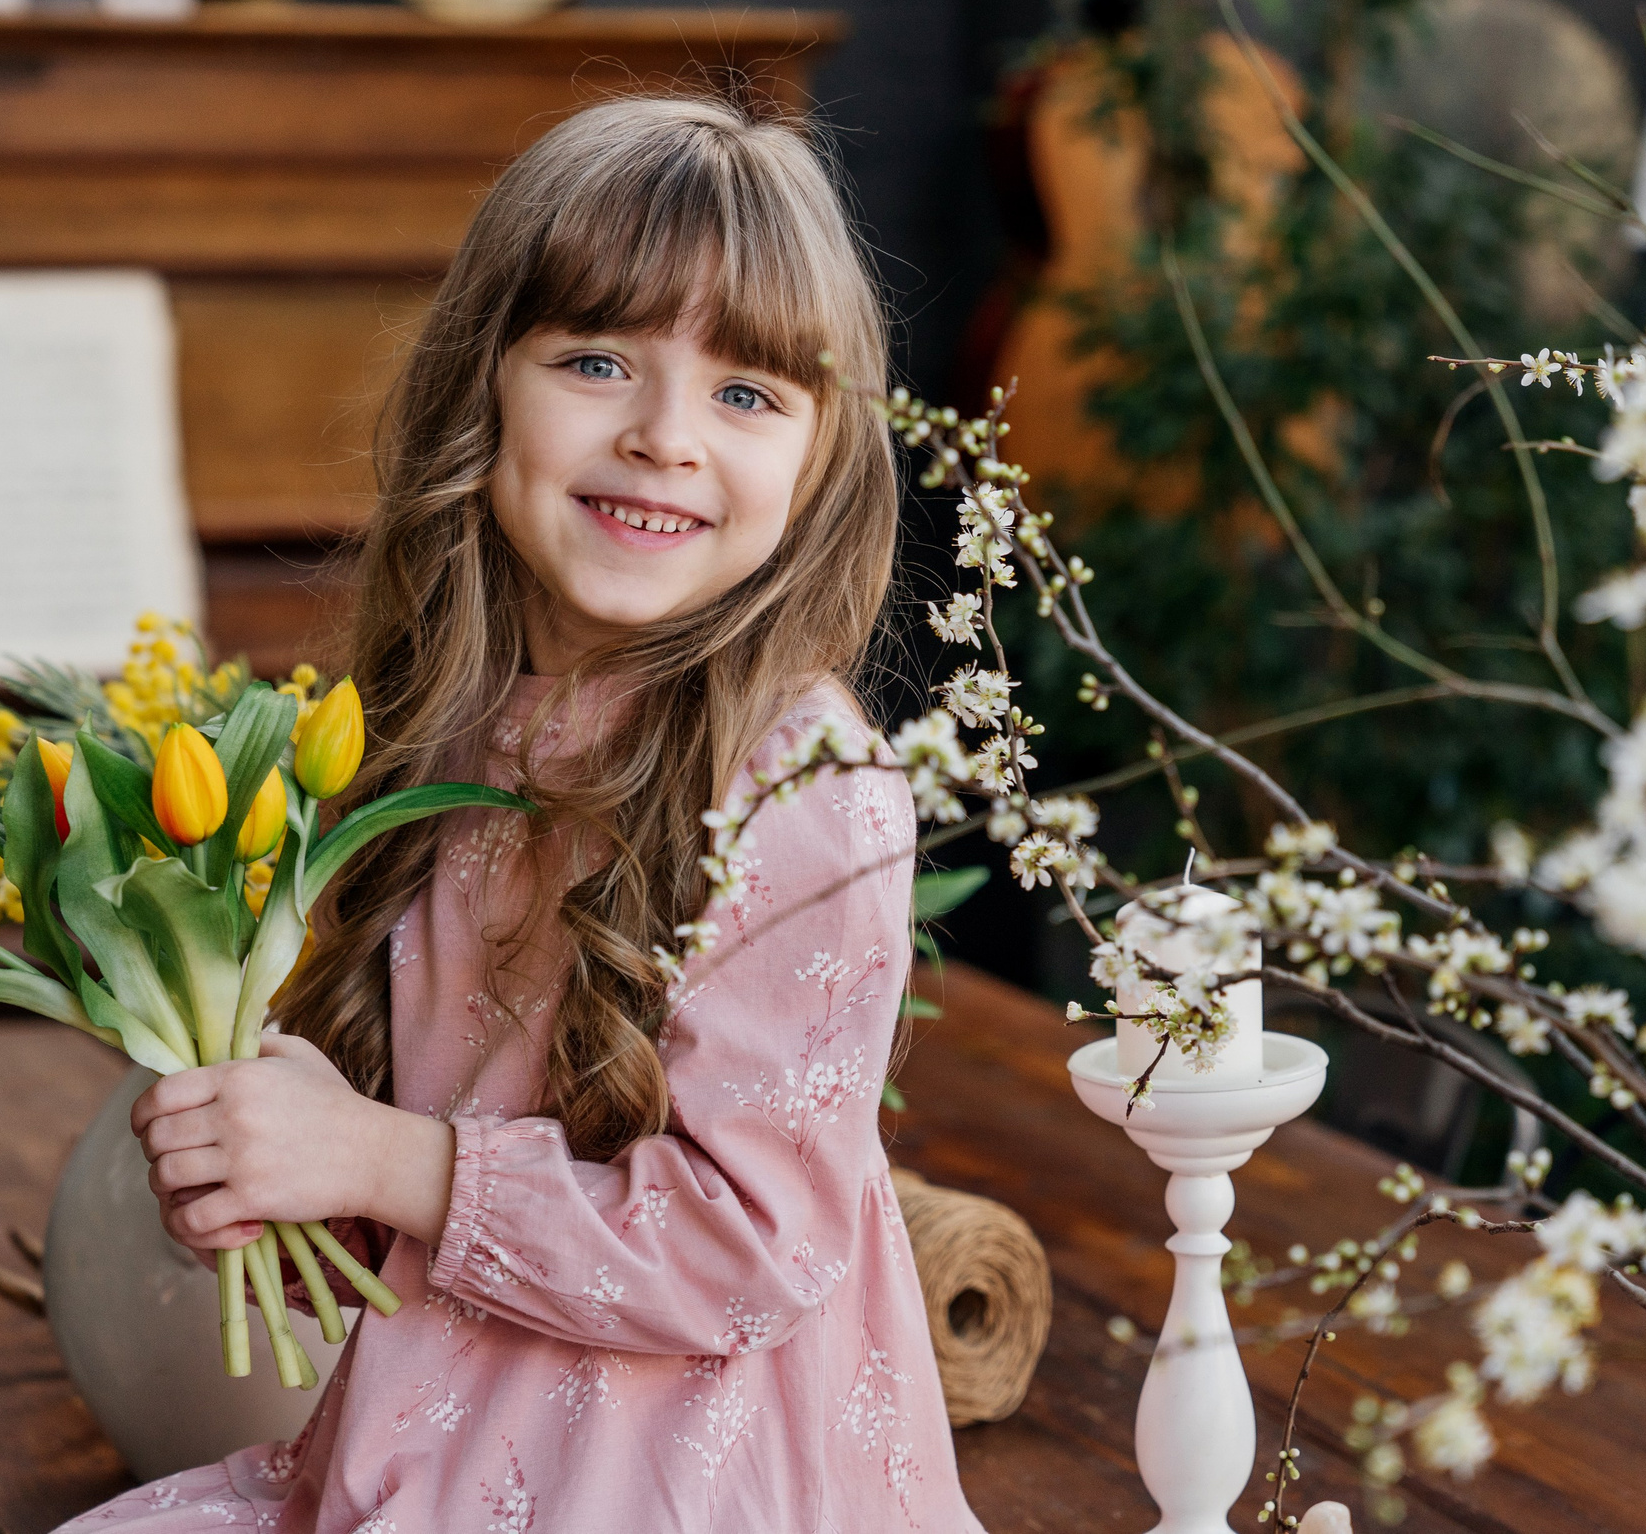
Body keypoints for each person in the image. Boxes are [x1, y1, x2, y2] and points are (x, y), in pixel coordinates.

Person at [62, 93, 982, 1533]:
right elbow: (433, 1205)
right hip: (423, 1446)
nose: (667, 436)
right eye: (597, 360)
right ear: (482, 388)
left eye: (747, 394)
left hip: (677, 1485)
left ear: (818, 463)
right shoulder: (443, 734)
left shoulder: (806, 787)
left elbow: (743, 1248)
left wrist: (379, 1160)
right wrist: (285, 1171)